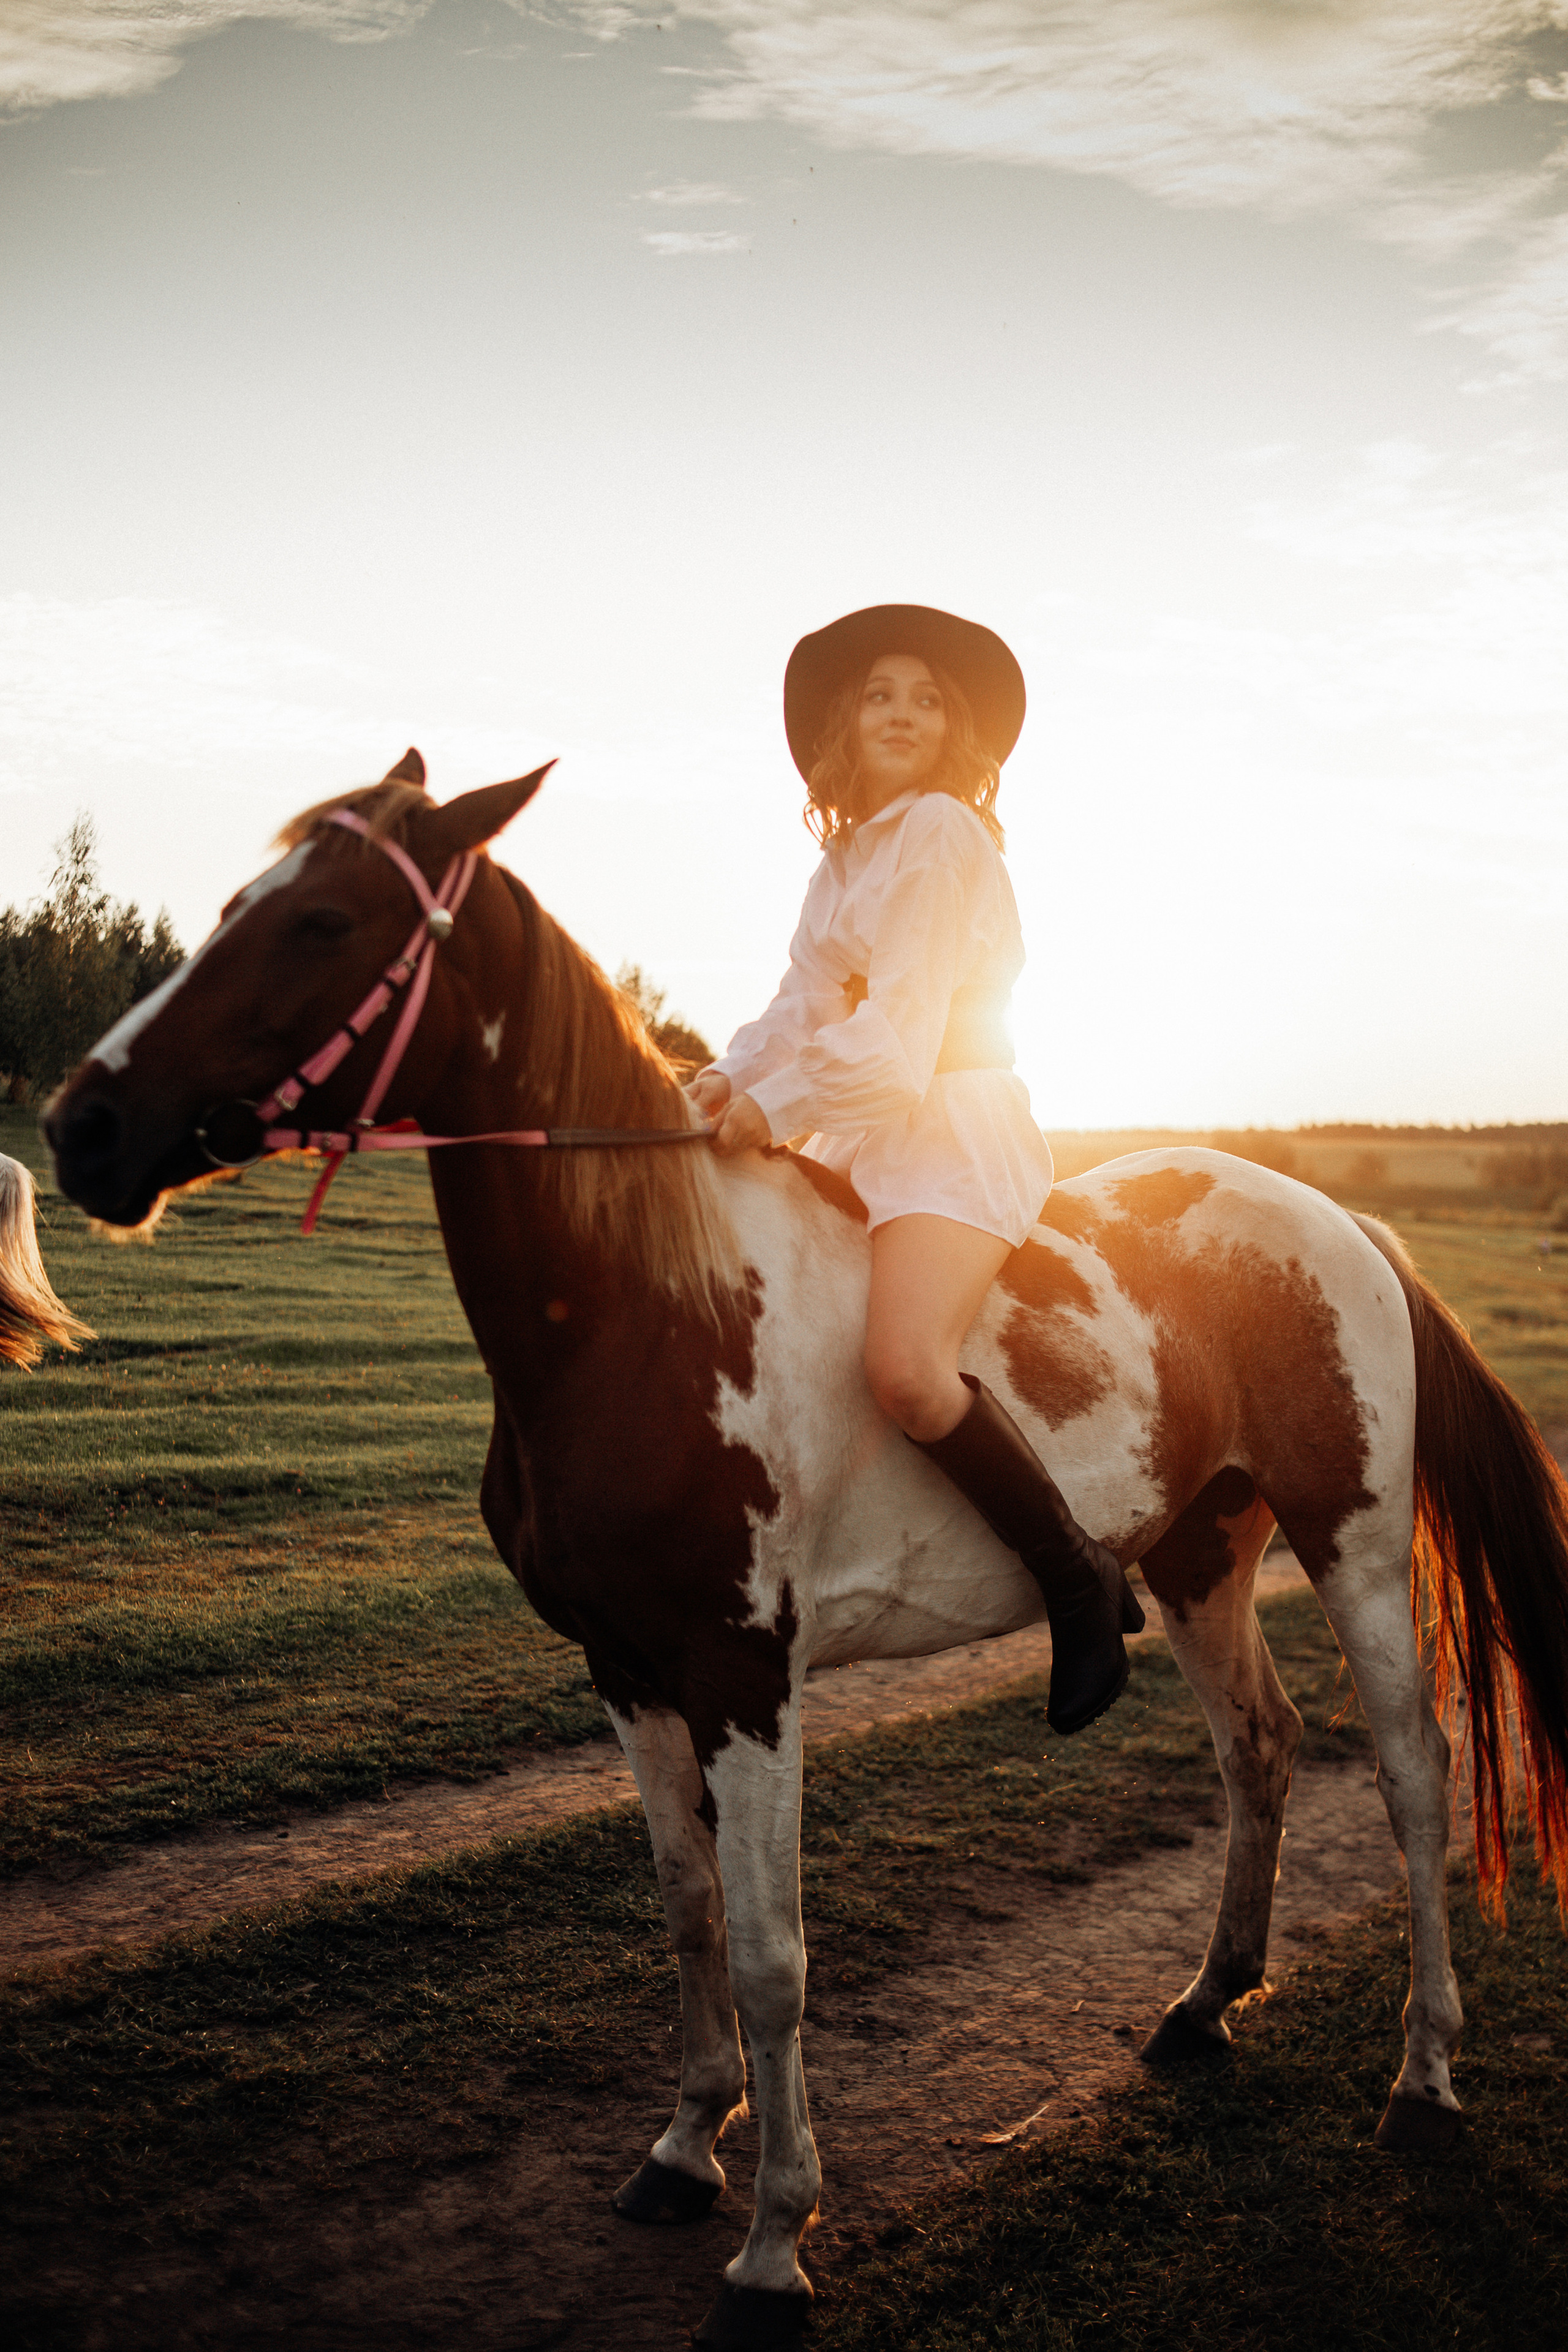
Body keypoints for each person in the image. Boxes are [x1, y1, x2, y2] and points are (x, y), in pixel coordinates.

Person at [687, 604, 1142, 1735]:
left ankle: (1076, 1576)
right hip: (862, 1132)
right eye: (881, 695)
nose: (903, 713)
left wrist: (773, 1109)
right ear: (845, 722)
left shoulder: (941, 831)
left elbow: (897, 1045)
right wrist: (718, 1081)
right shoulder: (844, 857)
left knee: (903, 1370)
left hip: (949, 1131)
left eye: (928, 699)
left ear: (955, 732)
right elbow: (797, 1007)